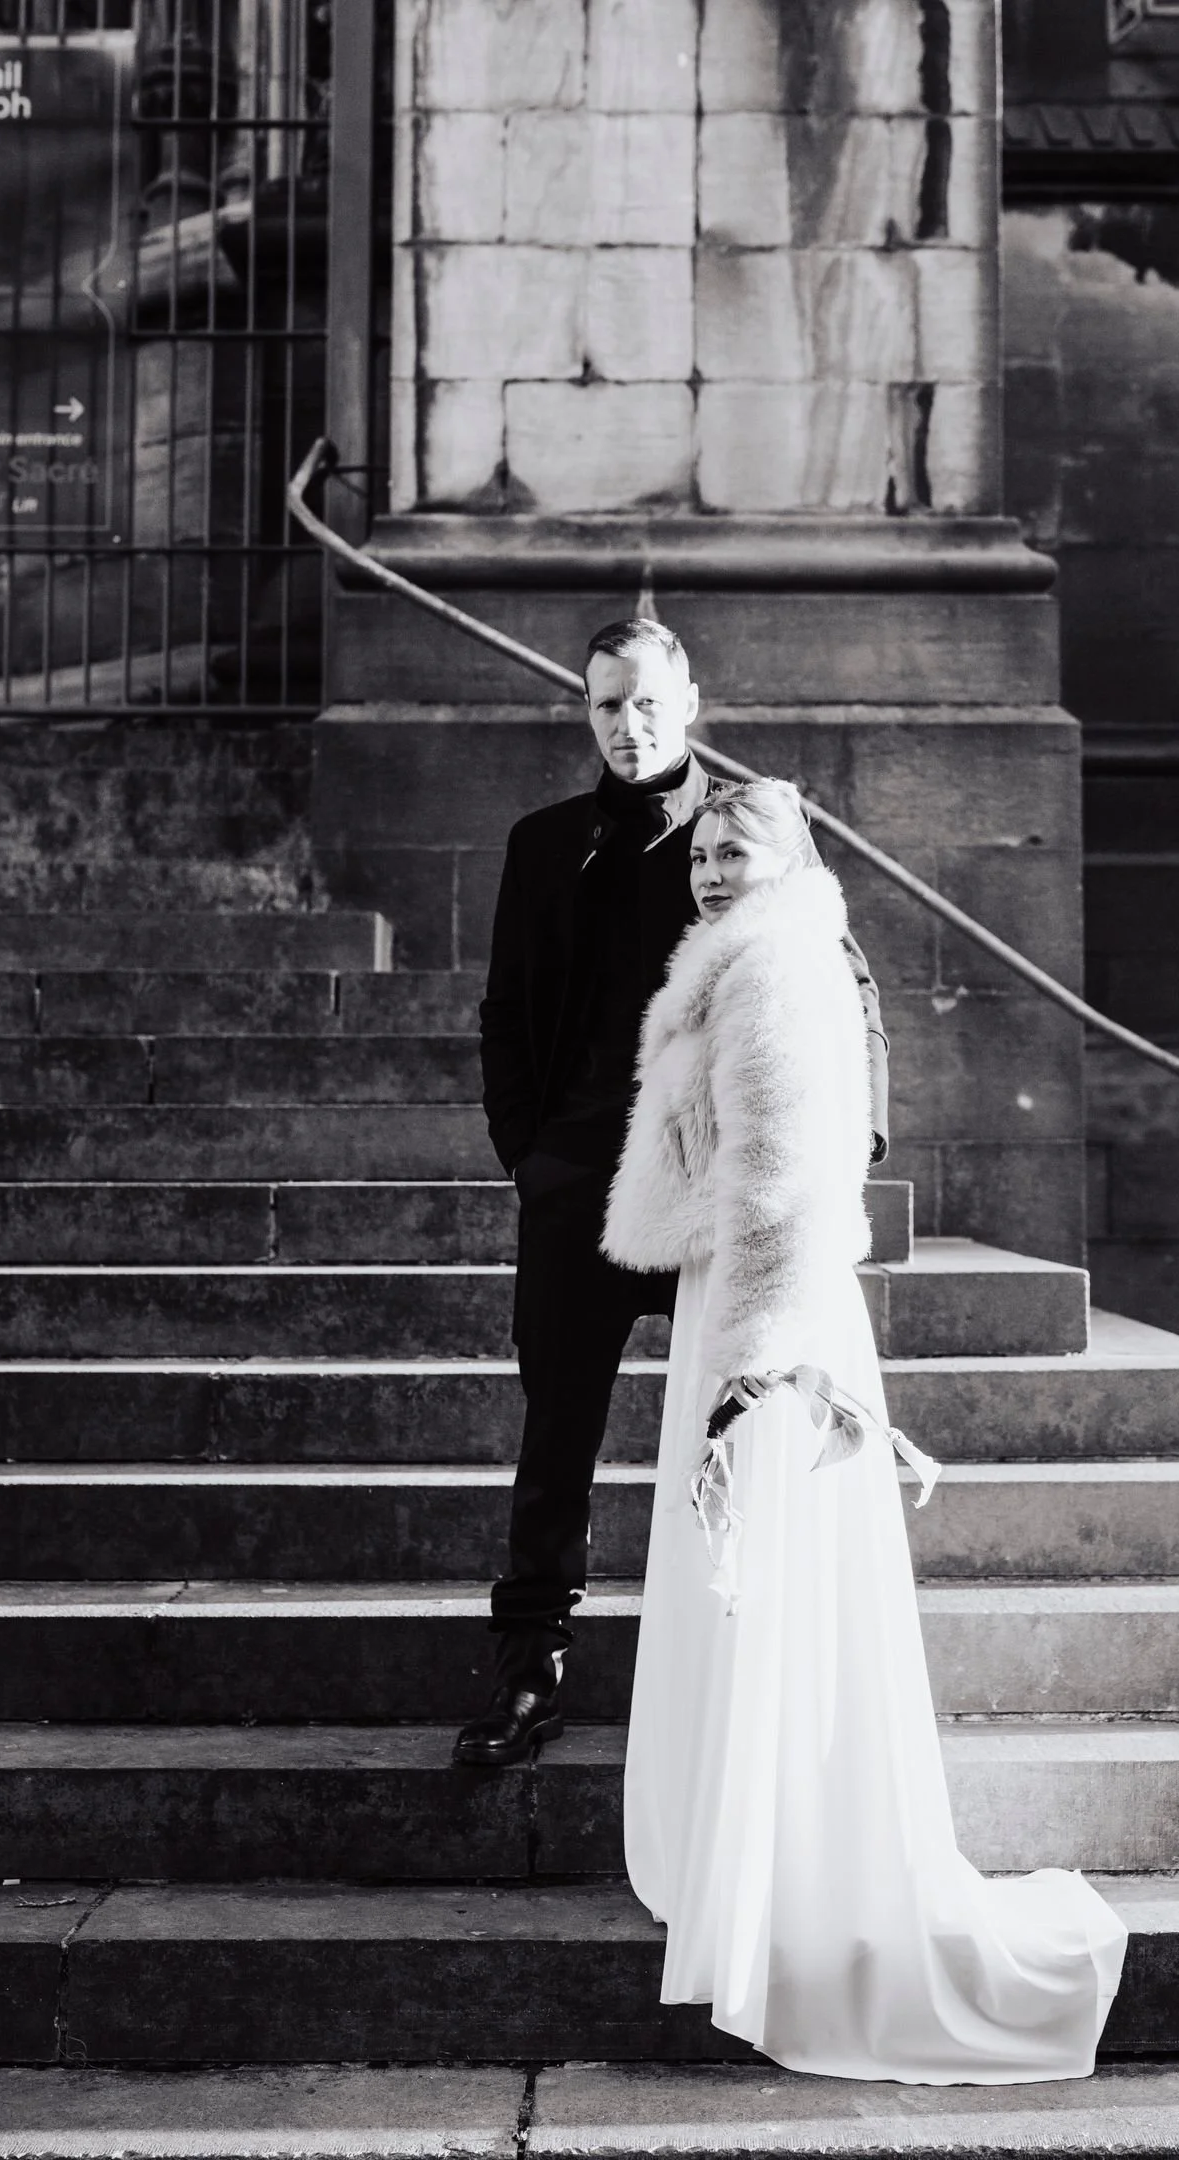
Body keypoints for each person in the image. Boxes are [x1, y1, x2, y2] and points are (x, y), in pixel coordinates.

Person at [602, 778, 1128, 2083]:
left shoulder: (778, 966)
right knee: (755, 1593)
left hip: (766, 1320)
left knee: (772, 1585)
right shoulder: (746, 961)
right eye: (702, 854)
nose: (711, 873)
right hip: (739, 1299)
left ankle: (784, 1884)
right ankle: (757, 1869)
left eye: (737, 852)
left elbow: (781, 1179)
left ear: (789, 861)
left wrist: (747, 1371)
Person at [455, 620, 888, 1769]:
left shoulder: (745, 827)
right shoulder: (543, 844)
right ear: (585, 711)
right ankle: (530, 1667)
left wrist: (847, 1147)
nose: (629, 724)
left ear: (690, 701)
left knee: (742, 1428)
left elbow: (845, 982)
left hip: (715, 1194)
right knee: (557, 1432)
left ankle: (747, 1677)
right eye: (608, 704)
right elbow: (504, 1010)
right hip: (577, 1185)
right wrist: (526, 1154)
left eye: (648, 701)